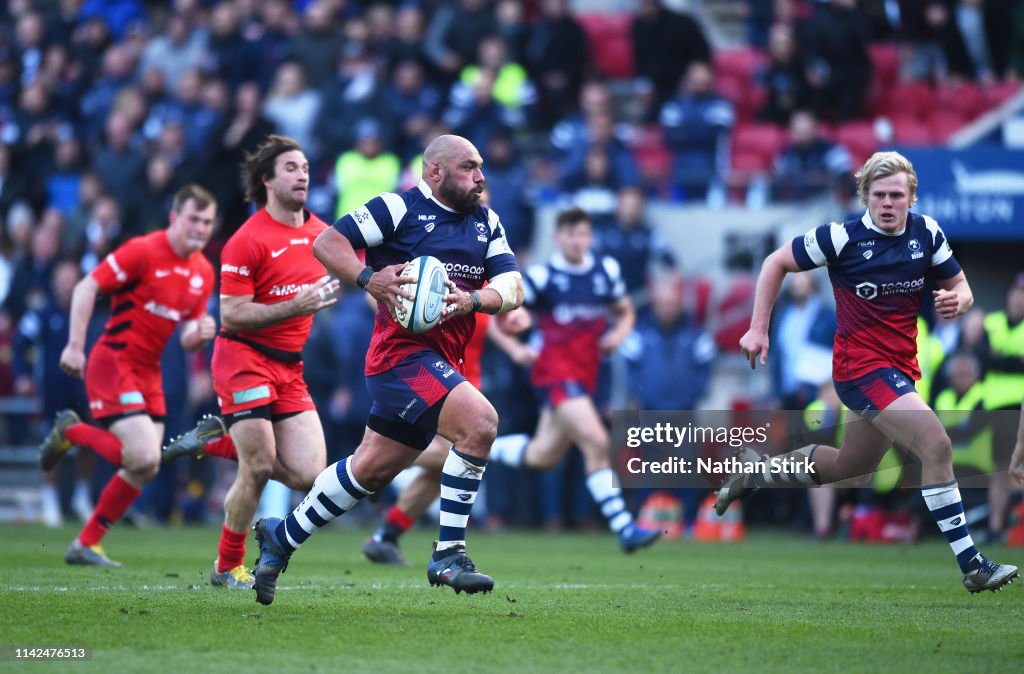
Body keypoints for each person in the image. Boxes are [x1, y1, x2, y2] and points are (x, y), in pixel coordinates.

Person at [719, 151, 1018, 593]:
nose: (888, 203)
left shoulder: (927, 232)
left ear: (911, 197)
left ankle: (754, 473)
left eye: (897, 195)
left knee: (850, 467)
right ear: (865, 196)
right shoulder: (841, 238)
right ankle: (973, 564)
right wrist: (758, 329)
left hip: (899, 370)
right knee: (936, 444)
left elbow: (962, 286)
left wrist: (962, 301)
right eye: (878, 195)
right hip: (858, 369)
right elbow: (774, 263)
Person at [248, 134, 524, 605]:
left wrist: (475, 300)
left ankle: (283, 535)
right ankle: (449, 553)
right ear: (435, 172)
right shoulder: (398, 208)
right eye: (469, 167)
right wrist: (366, 278)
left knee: (369, 472)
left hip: (440, 363)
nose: (481, 176)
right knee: (480, 424)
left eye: (480, 167)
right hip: (402, 361)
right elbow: (327, 241)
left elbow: (513, 285)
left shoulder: (487, 222)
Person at [165, 135, 339, 590]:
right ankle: (227, 566)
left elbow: (352, 272)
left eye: (305, 167)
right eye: (290, 168)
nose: (302, 174)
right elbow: (233, 314)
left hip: (290, 366)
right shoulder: (247, 240)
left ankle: (218, 437)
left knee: (309, 475)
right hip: (243, 356)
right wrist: (295, 306)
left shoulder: (322, 234)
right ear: (266, 180)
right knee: (259, 465)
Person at [38, 184, 218, 567]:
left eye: (207, 221)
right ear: (174, 218)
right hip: (113, 363)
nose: (200, 228)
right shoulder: (143, 250)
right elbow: (88, 286)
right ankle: (71, 431)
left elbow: (186, 337)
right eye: (193, 219)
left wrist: (198, 336)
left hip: (148, 372)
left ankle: (86, 543)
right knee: (143, 454)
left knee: (146, 465)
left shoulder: (203, 273)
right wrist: (74, 344)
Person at [487, 207, 662, 553]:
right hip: (554, 375)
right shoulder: (542, 277)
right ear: (557, 238)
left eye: (582, 234)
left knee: (544, 455)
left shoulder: (605, 271)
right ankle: (625, 528)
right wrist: (515, 348)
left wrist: (619, 335)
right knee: (597, 442)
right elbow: (498, 319)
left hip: (586, 378)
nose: (577, 241)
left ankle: (475, 448)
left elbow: (626, 311)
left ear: (590, 237)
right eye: (570, 234)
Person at [362, 308, 532, 565]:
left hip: (466, 378)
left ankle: (386, 535)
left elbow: (504, 311)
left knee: (444, 467)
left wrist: (517, 330)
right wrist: (414, 311)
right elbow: (373, 293)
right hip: (424, 368)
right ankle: (372, 466)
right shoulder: (430, 269)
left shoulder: (482, 276)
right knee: (449, 456)